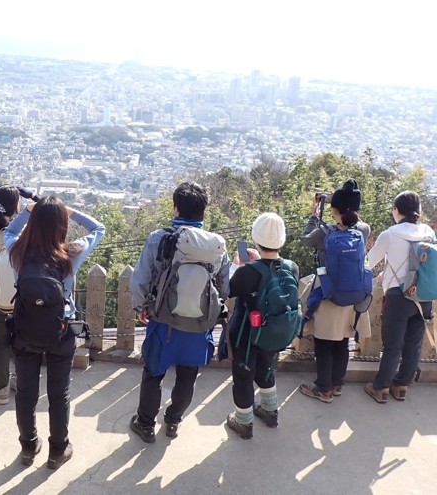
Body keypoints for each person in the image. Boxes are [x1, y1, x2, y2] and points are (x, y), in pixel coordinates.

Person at [5, 194, 105, 469]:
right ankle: (58, 450)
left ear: (34, 222)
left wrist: (28, 209)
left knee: (25, 393)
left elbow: (11, 230)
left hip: (24, 331)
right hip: (61, 332)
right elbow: (99, 229)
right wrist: (71, 212)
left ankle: (28, 447)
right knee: (59, 393)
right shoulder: (72, 253)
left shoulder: (17, 252)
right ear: (61, 225)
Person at [129, 182, 230, 443]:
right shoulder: (217, 246)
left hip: (163, 320)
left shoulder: (159, 238)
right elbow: (226, 285)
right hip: (199, 324)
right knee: (188, 375)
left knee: (153, 372)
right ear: (203, 212)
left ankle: (145, 424)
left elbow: (140, 278)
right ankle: (173, 421)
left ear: (175, 208)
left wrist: (140, 307)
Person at [226, 212, 298, 440]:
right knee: (266, 369)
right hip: (275, 332)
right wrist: (258, 261)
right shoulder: (290, 266)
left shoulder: (248, 272)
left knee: (243, 376)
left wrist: (238, 266)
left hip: (247, 335)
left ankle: (244, 422)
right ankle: (270, 411)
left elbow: (229, 288)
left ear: (255, 238)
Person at [299, 180, 372, 402]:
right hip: (353, 296)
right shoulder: (363, 229)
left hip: (328, 294)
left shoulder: (323, 232)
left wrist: (314, 215)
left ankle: (323, 389)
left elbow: (305, 241)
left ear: (334, 210)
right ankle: (337, 384)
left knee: (324, 343)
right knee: (343, 340)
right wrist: (339, 200)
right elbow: (350, 215)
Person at [364, 191, 435, 403]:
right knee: (413, 344)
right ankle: (402, 385)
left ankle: (381, 388)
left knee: (392, 346)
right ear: (419, 212)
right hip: (424, 296)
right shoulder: (428, 232)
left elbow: (368, 262)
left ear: (397, 211)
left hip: (397, 296)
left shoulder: (390, 234)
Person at [0, 185, 35, 404]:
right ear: (18, 205)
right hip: (23, 299)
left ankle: (0, 388)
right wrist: (30, 196)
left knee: (0, 344)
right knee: (23, 343)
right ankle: (21, 382)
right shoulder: (27, 230)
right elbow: (49, 210)